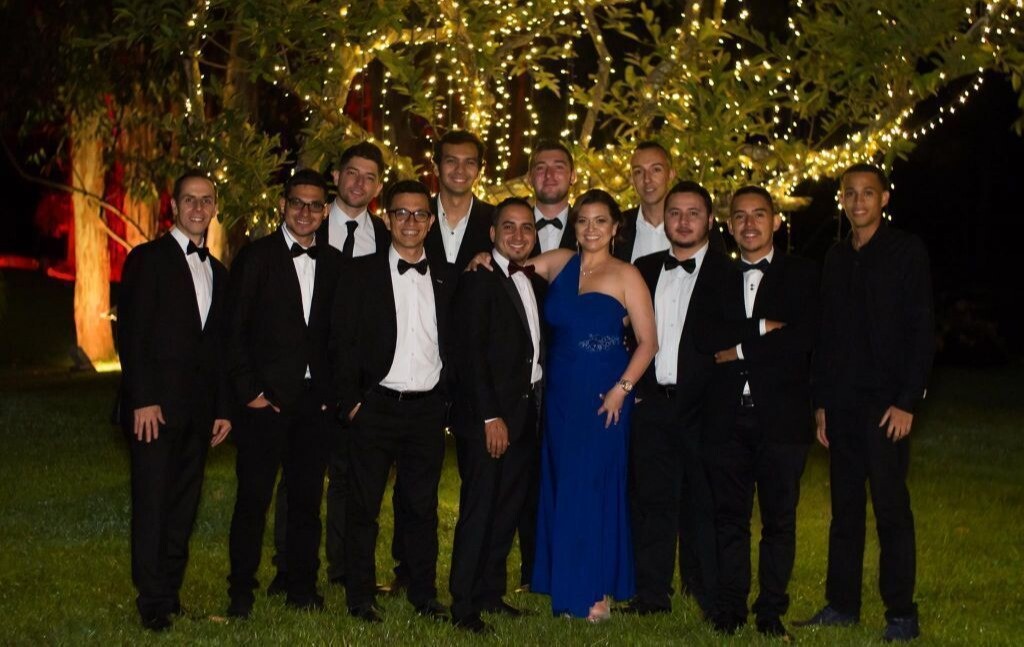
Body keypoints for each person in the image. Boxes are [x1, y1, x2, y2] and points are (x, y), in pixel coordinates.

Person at [797, 164, 933, 642]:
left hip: (886, 406)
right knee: (845, 511)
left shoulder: (906, 252)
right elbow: (827, 335)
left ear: (884, 198)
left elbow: (922, 330)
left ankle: (902, 614)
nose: (858, 202)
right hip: (842, 404)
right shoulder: (837, 256)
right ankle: (842, 605)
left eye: (868, 193)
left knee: (891, 510)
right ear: (842, 199)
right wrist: (820, 403)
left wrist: (907, 401)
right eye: (850, 193)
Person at [515, 188, 658, 620]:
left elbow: (649, 343)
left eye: (600, 221)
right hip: (560, 396)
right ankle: (567, 584)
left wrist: (621, 389)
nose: (591, 229)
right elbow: (511, 268)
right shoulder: (559, 263)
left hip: (604, 397)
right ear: (574, 226)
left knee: (595, 487)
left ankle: (595, 592)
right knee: (563, 484)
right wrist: (483, 258)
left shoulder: (627, 274)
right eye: (583, 220)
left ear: (615, 228)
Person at [696, 186, 819, 638]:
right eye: (741, 217)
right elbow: (705, 337)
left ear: (776, 222)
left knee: (779, 521)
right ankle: (730, 609)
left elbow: (803, 339)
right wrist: (764, 328)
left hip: (782, 418)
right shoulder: (715, 276)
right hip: (726, 417)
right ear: (729, 226)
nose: (749, 224)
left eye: (759, 215)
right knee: (729, 519)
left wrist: (741, 348)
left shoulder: (803, 274)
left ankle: (770, 612)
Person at [270, 143, 393, 595]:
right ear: (336, 177)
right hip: (308, 379)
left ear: (378, 186)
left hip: (361, 378)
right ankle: (289, 568)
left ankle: (344, 569)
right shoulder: (306, 225)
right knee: (297, 478)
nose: (359, 183)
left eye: (369, 177)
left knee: (351, 476)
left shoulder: (386, 236)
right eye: (352, 173)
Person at [332, 179, 456, 624]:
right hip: (375, 406)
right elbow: (339, 342)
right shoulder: (359, 274)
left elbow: (457, 344)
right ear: (387, 219)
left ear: (431, 222)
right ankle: (360, 596)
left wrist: (447, 402)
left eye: (420, 214)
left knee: (421, 508)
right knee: (363, 507)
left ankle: (424, 594)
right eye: (401, 213)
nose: (410, 221)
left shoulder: (447, 277)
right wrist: (352, 402)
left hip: (426, 410)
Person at [224, 169, 344, 618]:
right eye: (297, 203)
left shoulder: (335, 263)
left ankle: (301, 587)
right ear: (282, 205)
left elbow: (339, 336)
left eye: (314, 205)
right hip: (265, 403)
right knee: (253, 500)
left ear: (325, 211)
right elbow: (234, 331)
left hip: (315, 404)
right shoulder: (256, 257)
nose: (305, 212)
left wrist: (331, 394)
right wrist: (250, 392)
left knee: (307, 502)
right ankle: (241, 591)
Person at [117, 169, 232, 631]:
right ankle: (151, 601)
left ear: (215, 207)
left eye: (206, 200)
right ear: (174, 205)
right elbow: (132, 334)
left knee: (184, 506)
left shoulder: (219, 272)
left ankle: (170, 591)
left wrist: (223, 408)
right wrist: (142, 399)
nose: (198, 208)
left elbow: (219, 349)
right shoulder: (147, 259)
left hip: (198, 413)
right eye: (190, 199)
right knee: (153, 504)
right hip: (155, 410)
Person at [624, 181, 730, 618]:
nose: (683, 222)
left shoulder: (728, 273)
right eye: (675, 213)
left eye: (693, 213)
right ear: (664, 220)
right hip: (652, 403)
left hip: (706, 407)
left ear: (709, 220)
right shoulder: (643, 269)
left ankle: (707, 592)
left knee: (705, 500)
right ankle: (651, 595)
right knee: (652, 501)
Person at [448, 197, 545, 633]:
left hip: (525, 415)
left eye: (527, 227)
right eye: (509, 226)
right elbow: (469, 354)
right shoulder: (478, 280)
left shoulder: (533, 281)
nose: (518, 235)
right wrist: (490, 416)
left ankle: (490, 592)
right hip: (490, 420)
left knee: (506, 510)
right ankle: (463, 603)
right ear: (492, 233)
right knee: (480, 510)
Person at [616, 141, 725, 263]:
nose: (647, 179)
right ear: (631, 179)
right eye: (638, 172)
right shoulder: (618, 226)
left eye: (656, 170)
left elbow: (720, 269)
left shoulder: (700, 223)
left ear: (671, 174)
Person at [424, 130, 495, 271]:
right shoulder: (416, 216)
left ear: (479, 172)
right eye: (451, 161)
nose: (460, 170)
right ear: (436, 168)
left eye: (469, 162)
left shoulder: (496, 219)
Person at [528, 140, 578, 256]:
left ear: (573, 176)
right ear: (530, 178)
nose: (549, 175)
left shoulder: (588, 228)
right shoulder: (509, 230)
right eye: (540, 168)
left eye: (559, 167)